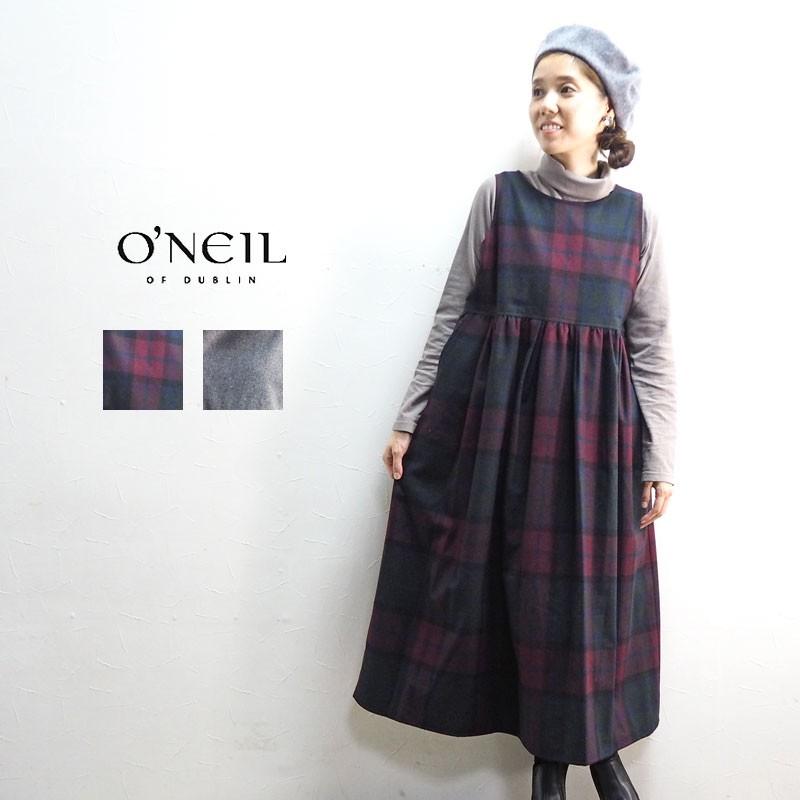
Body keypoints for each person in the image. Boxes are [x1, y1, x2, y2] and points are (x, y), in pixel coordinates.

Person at [353, 23, 676, 800]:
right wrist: (409, 417)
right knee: (513, 594)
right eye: (537, 90)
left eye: (567, 88)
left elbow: (652, 347)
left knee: (586, 602)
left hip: (597, 447)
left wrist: (660, 457)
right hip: (498, 437)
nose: (547, 104)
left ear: (607, 109)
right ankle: (552, 769)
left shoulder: (637, 221)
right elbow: (451, 315)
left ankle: (587, 759)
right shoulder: (500, 199)